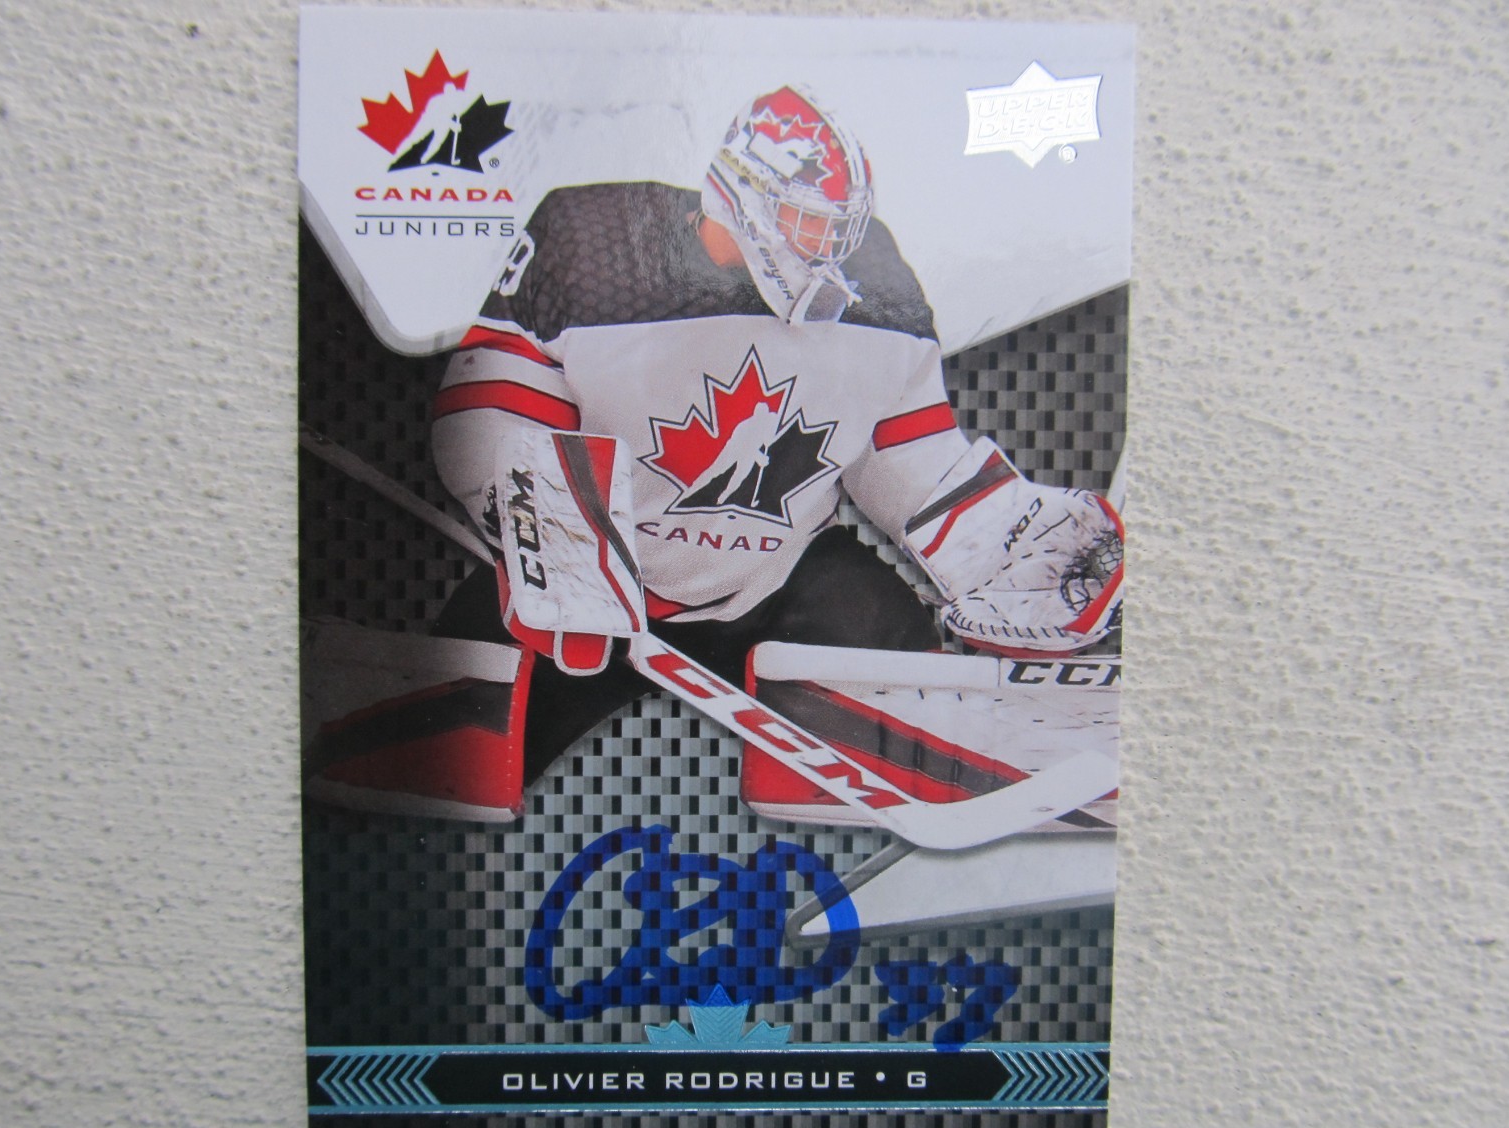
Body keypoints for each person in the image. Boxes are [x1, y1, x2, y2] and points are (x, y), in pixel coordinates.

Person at [429, 85, 1121, 783]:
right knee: (454, 733)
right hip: (600, 587)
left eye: (838, 229)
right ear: (739, 193)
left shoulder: (879, 290)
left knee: (892, 639)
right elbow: (489, 407)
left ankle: (968, 759)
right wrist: (557, 544)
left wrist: (1002, 539)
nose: (827, 250)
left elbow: (907, 455)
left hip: (771, 583)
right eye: (806, 219)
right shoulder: (594, 248)